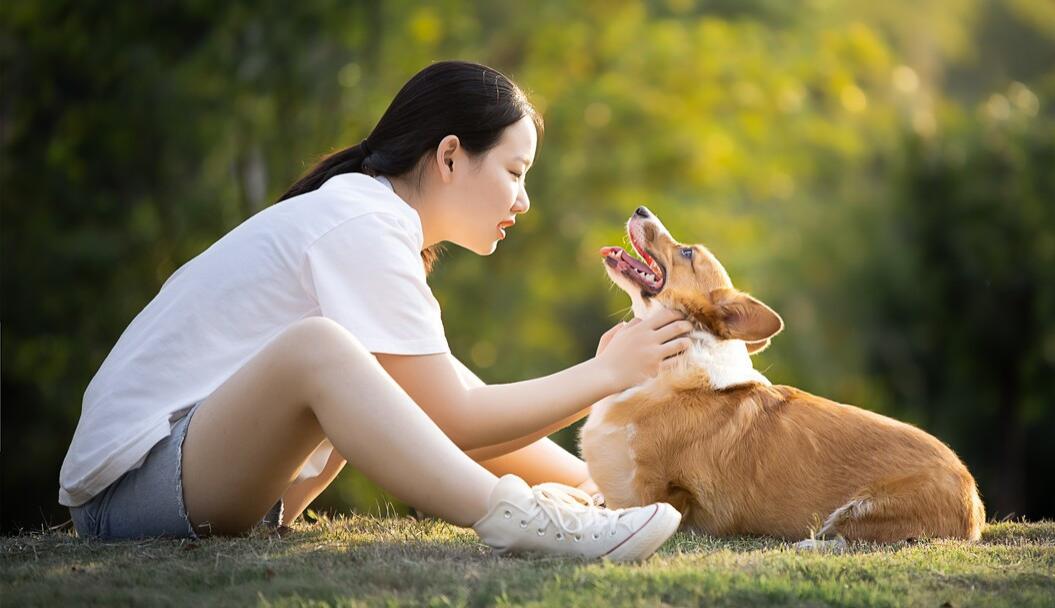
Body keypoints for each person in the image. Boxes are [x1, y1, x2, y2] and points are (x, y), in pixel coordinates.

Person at [58, 60, 693, 561]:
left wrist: (602, 490)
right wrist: (608, 373)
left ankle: (568, 507)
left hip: (204, 481)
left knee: (382, 368)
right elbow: (456, 422)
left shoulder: (375, 222)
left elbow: (449, 402)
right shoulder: (361, 221)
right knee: (321, 349)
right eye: (514, 172)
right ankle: (520, 521)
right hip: (132, 491)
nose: (523, 201)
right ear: (448, 157)